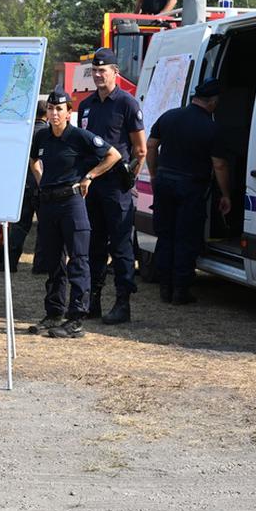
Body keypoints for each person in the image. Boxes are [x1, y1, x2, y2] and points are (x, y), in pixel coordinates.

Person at [28, 89, 121, 339]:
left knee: (78, 260)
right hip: (48, 204)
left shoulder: (79, 136)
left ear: (69, 112)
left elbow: (114, 155)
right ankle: (54, 312)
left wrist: (89, 176)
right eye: (50, 108)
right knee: (53, 261)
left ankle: (77, 317)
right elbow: (33, 160)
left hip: (72, 203)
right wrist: (41, 180)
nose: (54, 113)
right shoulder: (43, 136)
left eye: (59, 109)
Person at [146, 80, 232, 304]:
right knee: (186, 237)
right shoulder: (212, 128)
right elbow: (219, 165)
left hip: (164, 182)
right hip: (191, 187)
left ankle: (165, 286)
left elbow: (152, 146)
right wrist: (225, 194)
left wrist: (154, 173)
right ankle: (180, 290)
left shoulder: (169, 116)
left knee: (166, 235)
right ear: (212, 102)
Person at [78, 48, 147, 325]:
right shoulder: (87, 105)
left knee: (120, 247)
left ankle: (122, 303)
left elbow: (140, 150)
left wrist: (131, 177)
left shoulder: (127, 104)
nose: (97, 75)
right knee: (94, 244)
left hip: (116, 186)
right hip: (92, 184)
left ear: (115, 73)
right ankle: (92, 301)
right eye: (94, 71)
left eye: (102, 71)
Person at [3, 99, 48, 273]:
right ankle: (40, 265)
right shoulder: (49, 134)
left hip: (24, 186)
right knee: (44, 227)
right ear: (46, 114)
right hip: (41, 184)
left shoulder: (24, 133)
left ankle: (11, 263)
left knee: (20, 226)